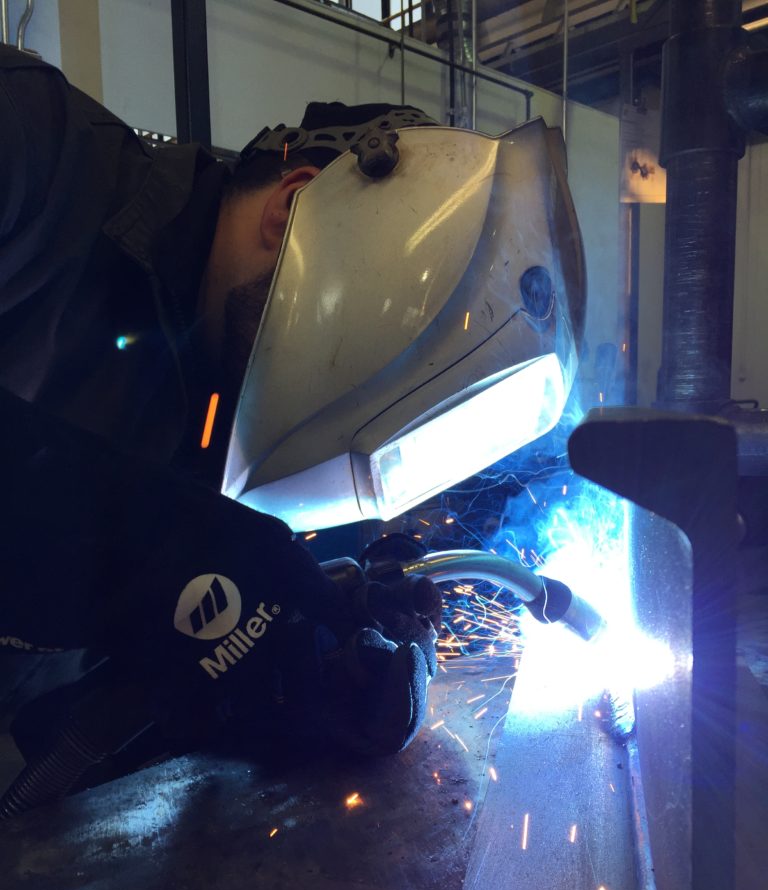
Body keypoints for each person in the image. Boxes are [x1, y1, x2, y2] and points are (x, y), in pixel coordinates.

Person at [0, 42, 444, 813]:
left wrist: (262, 690)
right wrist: (123, 543)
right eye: (342, 368)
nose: (330, 419)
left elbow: (66, 717)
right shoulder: (26, 142)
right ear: (291, 211)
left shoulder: (221, 415)